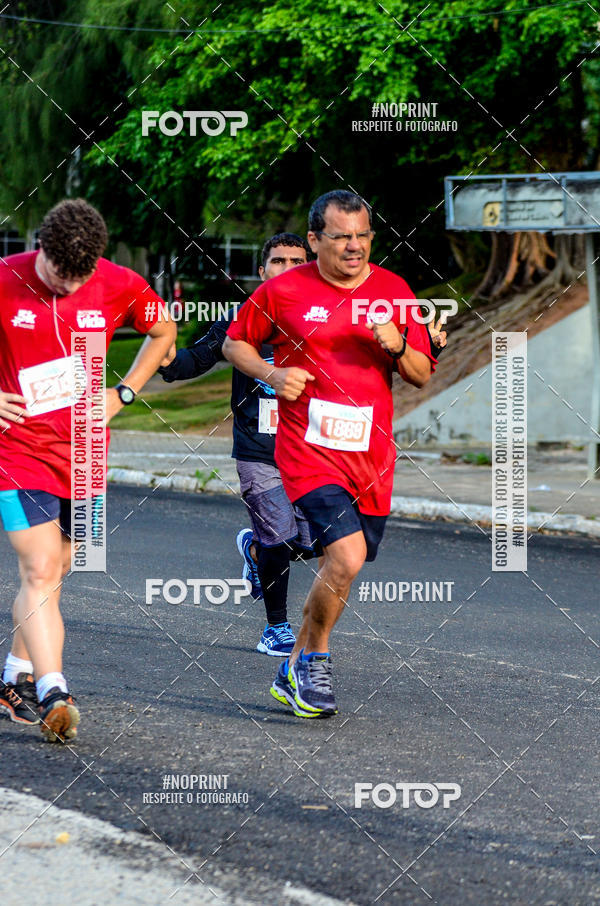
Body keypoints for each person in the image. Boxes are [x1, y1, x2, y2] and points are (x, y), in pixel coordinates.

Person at [224, 190, 447, 718]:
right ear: (314, 239)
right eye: (342, 236)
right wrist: (273, 373)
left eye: (363, 235)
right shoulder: (284, 291)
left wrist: (397, 345)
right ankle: (315, 662)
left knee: (342, 567)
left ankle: (291, 667)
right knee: (344, 557)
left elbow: (420, 374)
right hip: (309, 450)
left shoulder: (394, 291)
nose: (354, 246)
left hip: (371, 455)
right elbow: (235, 344)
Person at [0, 199, 175, 742]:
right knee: (39, 569)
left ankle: (11, 676)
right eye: (59, 274)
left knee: (59, 568)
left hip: (85, 451)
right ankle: (54, 690)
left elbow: (164, 332)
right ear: (42, 249)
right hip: (17, 451)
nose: (70, 286)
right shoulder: (5, 277)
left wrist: (124, 393)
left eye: (81, 278)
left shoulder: (120, 283)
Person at [159, 233, 317, 657]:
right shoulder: (240, 319)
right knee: (278, 537)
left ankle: (254, 549)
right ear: (262, 271)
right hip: (257, 451)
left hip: (310, 450)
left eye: (297, 261)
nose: (287, 269)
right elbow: (198, 358)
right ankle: (276, 628)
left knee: (314, 542)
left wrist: (421, 347)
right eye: (278, 261)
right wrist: (167, 360)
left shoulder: (324, 320)